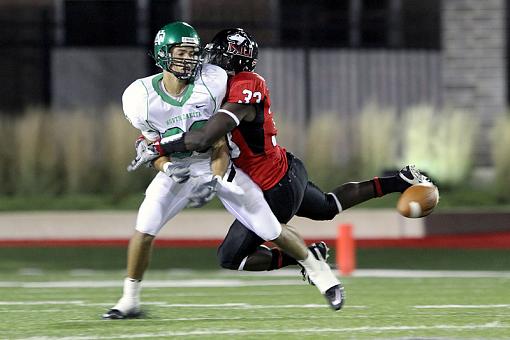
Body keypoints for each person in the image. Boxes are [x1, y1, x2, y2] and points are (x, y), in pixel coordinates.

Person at [130, 28, 432, 276]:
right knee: (327, 207)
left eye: (216, 56)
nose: (208, 63)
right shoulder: (217, 87)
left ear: (230, 60)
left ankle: (305, 258)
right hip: (286, 168)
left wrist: (157, 146)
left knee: (231, 257)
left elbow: (206, 137)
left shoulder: (244, 87)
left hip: (271, 184)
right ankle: (399, 181)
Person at [103, 22, 344, 320]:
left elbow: (218, 140)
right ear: (163, 54)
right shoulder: (140, 97)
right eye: (182, 52)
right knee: (144, 228)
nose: (190, 59)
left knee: (269, 227)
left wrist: (215, 178)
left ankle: (319, 271)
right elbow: (151, 148)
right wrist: (167, 168)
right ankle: (129, 300)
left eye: (194, 52)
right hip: (178, 168)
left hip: (217, 163)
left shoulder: (212, 81)